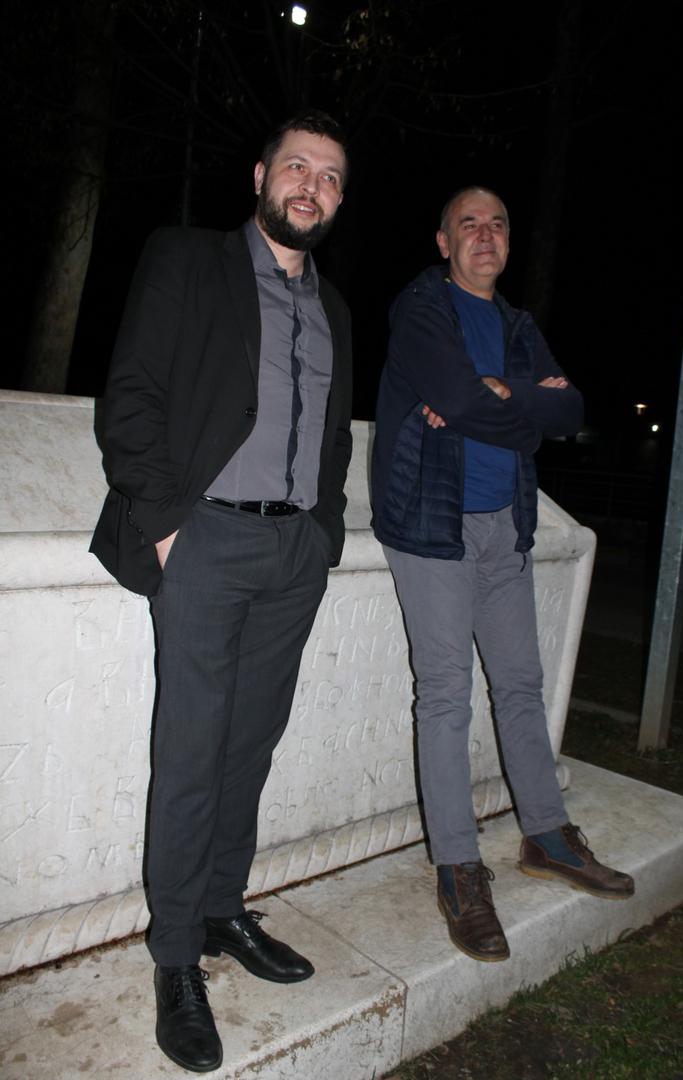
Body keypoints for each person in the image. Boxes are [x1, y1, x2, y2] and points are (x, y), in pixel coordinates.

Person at [90, 111, 352, 1072]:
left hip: (294, 553)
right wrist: (170, 528)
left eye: (330, 176)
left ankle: (218, 910)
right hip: (206, 540)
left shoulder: (335, 307)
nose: (311, 185)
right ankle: (173, 960)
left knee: (249, 746)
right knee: (192, 753)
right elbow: (131, 398)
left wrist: (323, 531)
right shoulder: (188, 259)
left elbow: (332, 432)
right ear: (259, 175)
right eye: (297, 166)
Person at [371, 186, 633, 965]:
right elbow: (459, 397)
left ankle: (546, 836)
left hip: (503, 525)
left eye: (496, 225)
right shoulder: (422, 308)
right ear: (443, 242)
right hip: (432, 523)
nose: (483, 235)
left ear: (508, 243)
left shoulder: (518, 328)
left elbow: (570, 412)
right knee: (445, 694)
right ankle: (457, 870)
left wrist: (501, 395)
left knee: (521, 684)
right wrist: (520, 410)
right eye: (468, 225)